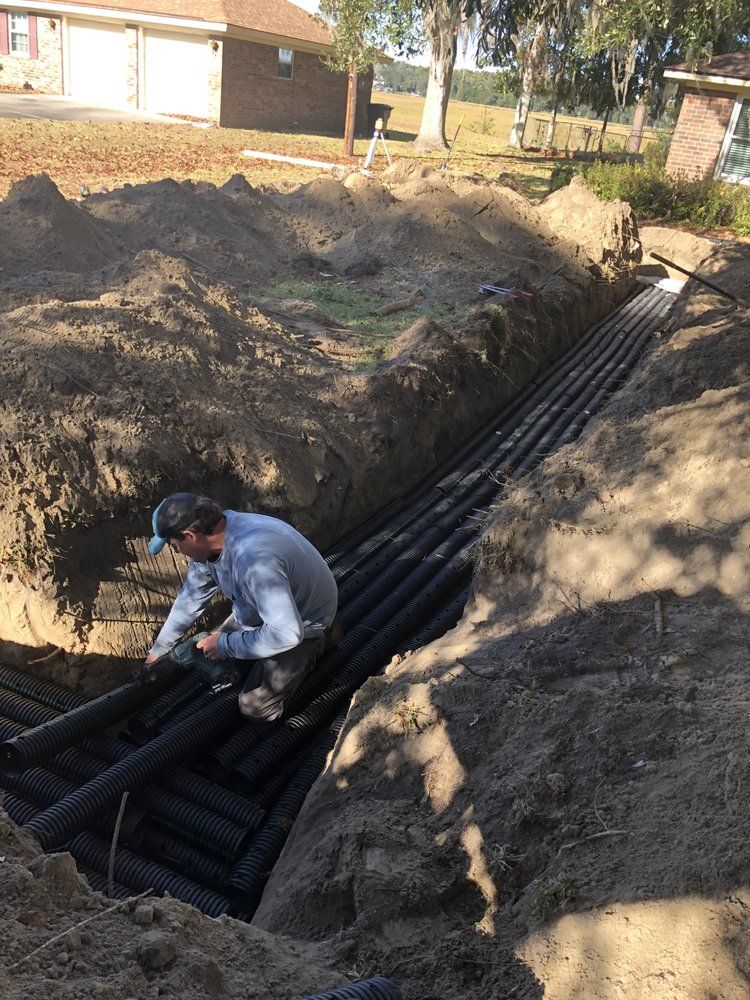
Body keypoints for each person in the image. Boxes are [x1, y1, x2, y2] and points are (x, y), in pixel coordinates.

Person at [145, 492, 340, 722]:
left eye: (175, 546)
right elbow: (190, 598)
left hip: (304, 621)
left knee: (255, 708)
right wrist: (158, 650)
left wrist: (226, 644)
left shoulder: (254, 560)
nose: (177, 552)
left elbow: (287, 633)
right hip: (270, 608)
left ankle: (321, 641)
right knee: (212, 650)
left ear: (189, 536)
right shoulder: (216, 538)